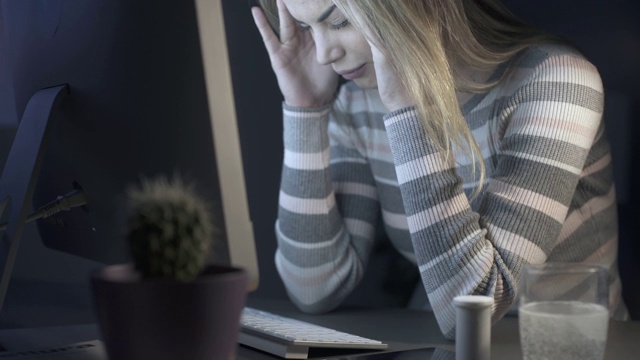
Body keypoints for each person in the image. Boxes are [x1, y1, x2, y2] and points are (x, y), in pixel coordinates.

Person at [250, 0, 629, 339]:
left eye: (339, 22)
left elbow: (474, 308)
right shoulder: (359, 104)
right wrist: (306, 108)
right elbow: (314, 288)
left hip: (574, 347)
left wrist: (408, 112)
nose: (323, 55)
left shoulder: (556, 81)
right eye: (306, 29)